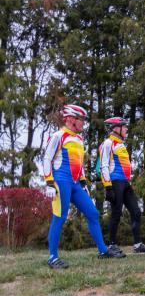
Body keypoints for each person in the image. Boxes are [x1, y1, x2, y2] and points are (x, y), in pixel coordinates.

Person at [43, 104, 125, 269]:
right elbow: (46, 159)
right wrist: (49, 183)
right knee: (60, 217)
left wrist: (83, 182)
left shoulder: (79, 139)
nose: (83, 123)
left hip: (75, 184)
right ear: (72, 119)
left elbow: (79, 164)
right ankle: (52, 257)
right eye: (81, 120)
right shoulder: (59, 136)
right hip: (60, 181)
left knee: (93, 213)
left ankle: (103, 251)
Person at [98, 117, 145, 255]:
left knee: (136, 212)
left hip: (125, 183)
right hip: (115, 182)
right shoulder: (108, 143)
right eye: (124, 126)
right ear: (116, 128)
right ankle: (112, 245)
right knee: (116, 213)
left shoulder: (121, 144)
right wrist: (108, 187)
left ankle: (138, 244)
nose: (127, 129)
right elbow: (103, 166)